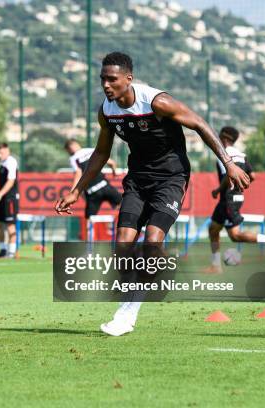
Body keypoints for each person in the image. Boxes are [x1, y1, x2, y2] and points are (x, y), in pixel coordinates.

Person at [55, 52, 250, 336]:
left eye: (112, 79)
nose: (106, 85)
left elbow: (199, 123)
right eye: (103, 79)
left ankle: (128, 312)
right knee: (123, 245)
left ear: (128, 79)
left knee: (152, 241)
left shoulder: (157, 102)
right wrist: (76, 191)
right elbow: (101, 152)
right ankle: (146, 275)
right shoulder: (107, 111)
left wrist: (228, 163)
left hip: (171, 179)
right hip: (137, 180)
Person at [207, 126, 265, 273]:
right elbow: (252, 176)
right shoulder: (242, 155)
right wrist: (240, 186)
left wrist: (217, 190)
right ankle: (216, 266)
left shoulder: (224, 153)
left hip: (228, 198)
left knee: (235, 235)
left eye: (219, 135)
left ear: (224, 137)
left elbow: (228, 175)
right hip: (233, 198)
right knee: (213, 228)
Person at [64, 138, 121, 221]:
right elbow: (111, 162)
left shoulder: (74, 158)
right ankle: (122, 224)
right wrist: (114, 172)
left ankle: (91, 232)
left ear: (70, 148)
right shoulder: (91, 151)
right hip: (105, 186)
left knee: (89, 220)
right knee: (124, 205)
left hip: (92, 193)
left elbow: (78, 174)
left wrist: (73, 193)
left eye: (68, 151)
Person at [0, 143, 19, 258]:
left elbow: (11, 181)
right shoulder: (2, 163)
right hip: (2, 198)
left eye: (1, 152)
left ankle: (11, 252)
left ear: (8, 151)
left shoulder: (11, 162)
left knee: (10, 225)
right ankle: (3, 249)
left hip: (10, 199)